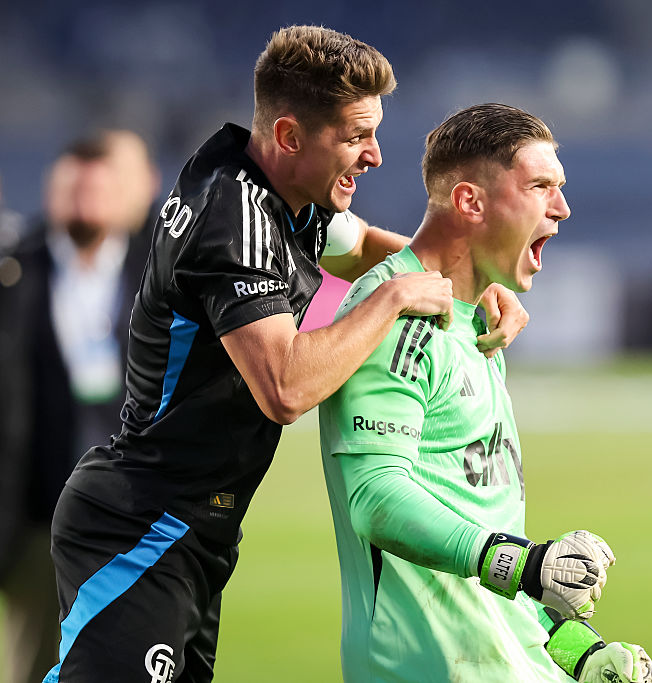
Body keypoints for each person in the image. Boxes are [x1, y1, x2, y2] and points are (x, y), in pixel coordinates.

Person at [44, 26, 528, 683]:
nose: (375, 155)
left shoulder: (281, 191)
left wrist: (469, 283)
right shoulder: (231, 219)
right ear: (290, 136)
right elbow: (284, 389)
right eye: (356, 137)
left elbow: (365, 248)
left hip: (189, 528)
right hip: (142, 525)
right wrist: (392, 299)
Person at [318, 103, 652, 683]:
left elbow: (488, 552)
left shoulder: (478, 324)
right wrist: (527, 564)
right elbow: (376, 499)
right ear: (470, 202)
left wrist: (578, 650)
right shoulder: (397, 316)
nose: (562, 207)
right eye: (540, 186)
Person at [0, 131, 157, 683]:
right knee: (38, 657)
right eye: (73, 189)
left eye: (98, 189)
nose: (85, 202)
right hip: (36, 512)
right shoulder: (15, 271)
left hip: (132, 513)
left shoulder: (156, 271)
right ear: (52, 193)